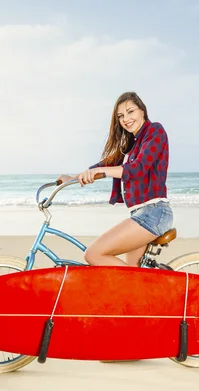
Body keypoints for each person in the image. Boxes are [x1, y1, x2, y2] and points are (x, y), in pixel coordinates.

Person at [57, 91, 173, 267]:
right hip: (140, 214)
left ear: (142, 110)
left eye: (130, 111)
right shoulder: (132, 145)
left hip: (153, 213)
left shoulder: (155, 131)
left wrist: (104, 171)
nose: (126, 119)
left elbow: (138, 168)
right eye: (121, 116)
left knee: (94, 254)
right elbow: (104, 164)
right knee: (134, 276)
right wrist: (73, 178)